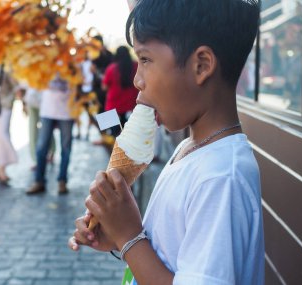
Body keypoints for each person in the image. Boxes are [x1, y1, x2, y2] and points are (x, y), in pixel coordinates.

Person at [69, 1, 264, 285]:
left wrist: (129, 236)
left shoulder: (221, 176)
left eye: (145, 60)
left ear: (201, 66)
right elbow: (173, 252)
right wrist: (117, 235)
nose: (137, 79)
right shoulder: (189, 149)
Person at [27, 76, 74, 195]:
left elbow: (80, 81)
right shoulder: (45, 60)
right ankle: (39, 181)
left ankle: (62, 181)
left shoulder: (73, 62)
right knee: (41, 147)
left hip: (67, 110)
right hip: (47, 109)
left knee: (66, 148)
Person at [102, 45, 138, 138]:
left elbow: (104, 87)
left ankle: (111, 151)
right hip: (131, 106)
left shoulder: (111, 68)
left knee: (110, 137)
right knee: (129, 137)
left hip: (111, 106)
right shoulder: (136, 66)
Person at [23, 86, 56, 169]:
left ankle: (52, 151)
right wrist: (23, 102)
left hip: (45, 101)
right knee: (32, 130)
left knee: (47, 129)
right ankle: (36, 159)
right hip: (32, 99)